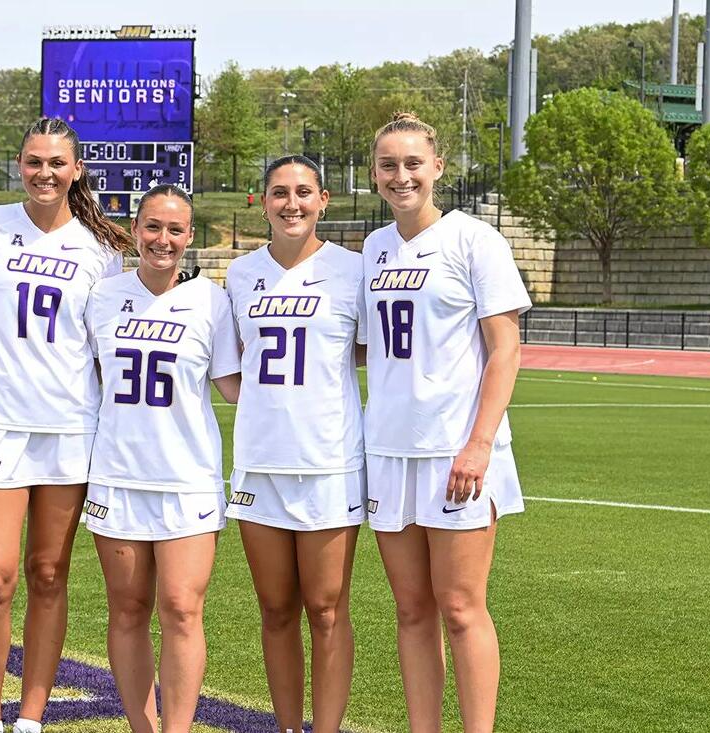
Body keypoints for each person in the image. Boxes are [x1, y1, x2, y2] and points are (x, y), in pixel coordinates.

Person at [0, 117, 131, 733]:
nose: (45, 173)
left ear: (76, 169)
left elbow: (107, 346)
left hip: (68, 427)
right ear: (18, 165)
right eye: (33, 162)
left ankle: (30, 717)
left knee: (49, 573)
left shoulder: (100, 249)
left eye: (57, 163)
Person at [362, 112, 531, 733]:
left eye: (412, 163)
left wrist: (479, 443)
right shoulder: (375, 248)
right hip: (389, 448)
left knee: (460, 608)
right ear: (373, 172)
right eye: (388, 165)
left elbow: (505, 348)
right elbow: (365, 343)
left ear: (437, 167)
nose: (400, 175)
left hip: (456, 450)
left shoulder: (474, 240)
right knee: (411, 611)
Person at [83, 185, 241, 733]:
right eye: (153, 227)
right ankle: (141, 727)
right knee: (127, 611)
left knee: (180, 609)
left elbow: (234, 386)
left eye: (175, 230)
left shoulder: (211, 302)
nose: (163, 239)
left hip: (187, 478)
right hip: (117, 476)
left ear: (189, 236)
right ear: (134, 229)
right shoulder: (102, 297)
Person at [225, 155, 367, 733]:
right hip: (260, 464)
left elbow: (368, 349)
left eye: (304, 192)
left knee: (327, 610)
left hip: (329, 462)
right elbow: (233, 369)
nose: (292, 203)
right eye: (280, 192)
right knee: (276, 609)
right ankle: (286, 725)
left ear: (324, 199)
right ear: (263, 201)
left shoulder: (354, 270)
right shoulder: (238, 275)